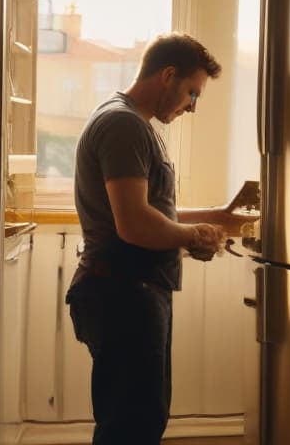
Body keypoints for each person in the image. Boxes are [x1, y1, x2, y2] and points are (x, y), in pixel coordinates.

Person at [66, 33, 226, 445]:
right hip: (124, 294)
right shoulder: (123, 124)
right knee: (133, 425)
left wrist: (215, 217)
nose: (191, 106)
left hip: (129, 290)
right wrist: (192, 236)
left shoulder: (133, 123)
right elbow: (134, 223)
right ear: (167, 75)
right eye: (192, 92)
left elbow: (152, 210)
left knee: (135, 418)